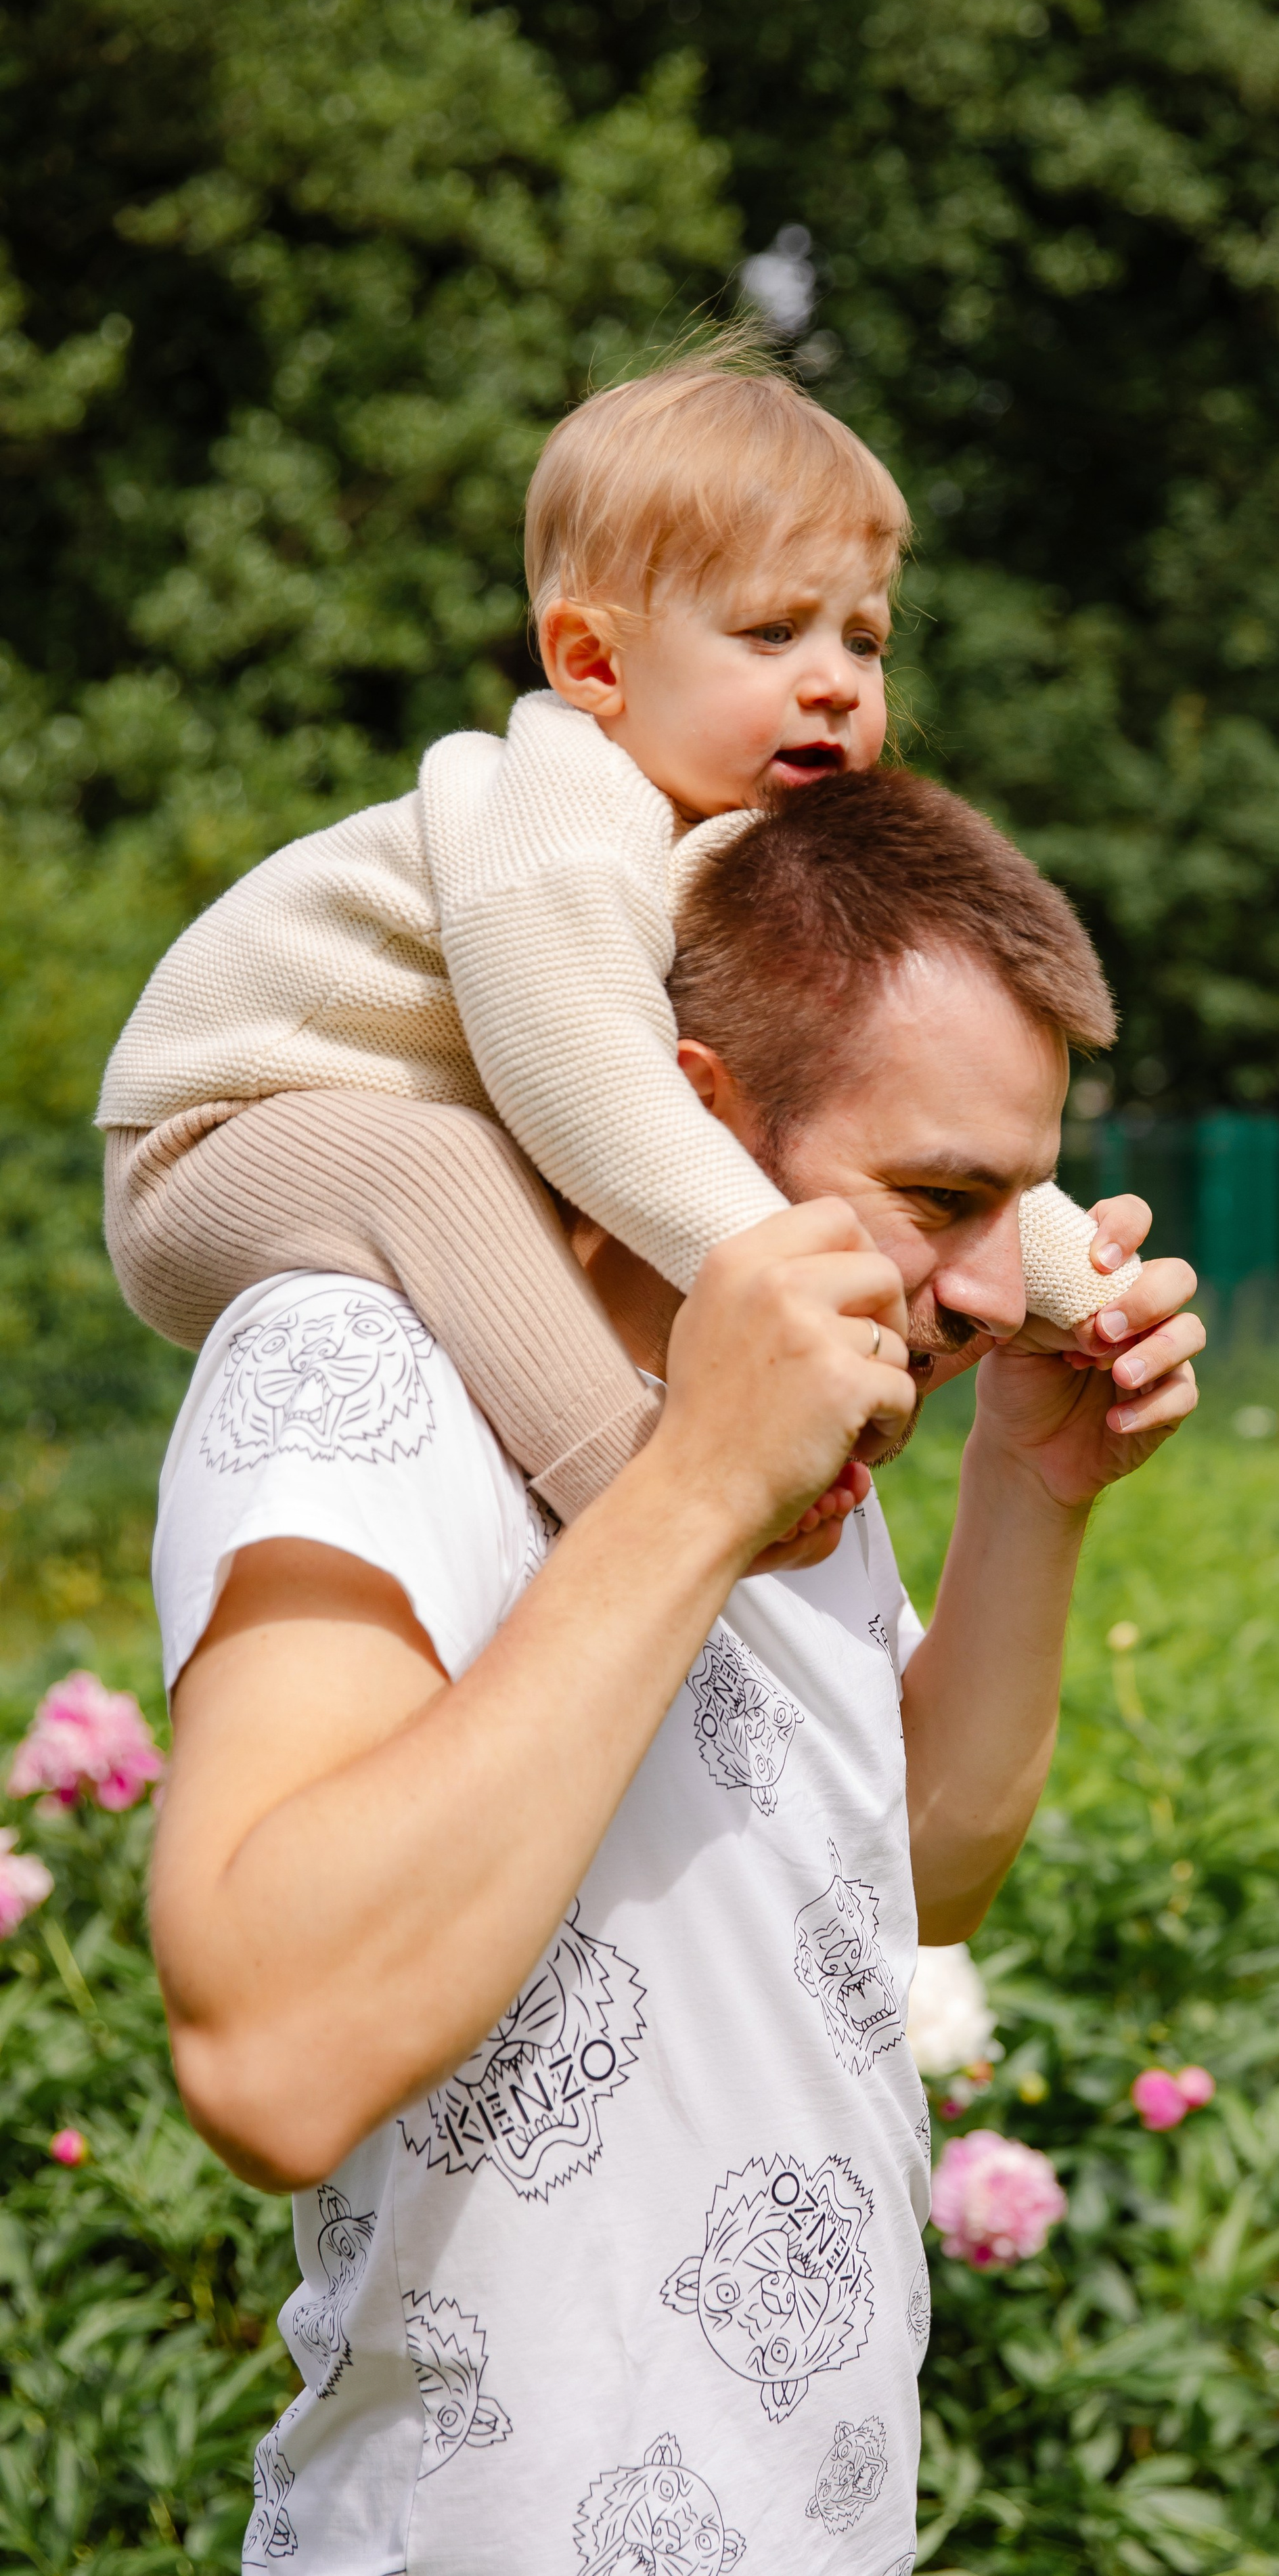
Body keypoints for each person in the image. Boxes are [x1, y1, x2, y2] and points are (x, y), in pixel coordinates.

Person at [147, 765, 1202, 2575]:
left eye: (1015, 1205)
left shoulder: (805, 1417)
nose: (984, 1288)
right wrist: (700, 1486)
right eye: (937, 1195)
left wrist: (1031, 1488)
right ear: (696, 1114)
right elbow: (270, 2058)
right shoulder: (356, 1359)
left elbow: (910, 1877)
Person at [98, 344, 1138, 1549]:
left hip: (401, 1152)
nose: (837, 684)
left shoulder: (722, 851)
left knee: (509, 1187)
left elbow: (901, 1117)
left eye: (863, 639)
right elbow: (586, 1078)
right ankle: (651, 1503)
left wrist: (1086, 1289)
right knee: (444, 1164)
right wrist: (783, 1274)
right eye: (773, 631)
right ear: (594, 663)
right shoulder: (558, 811)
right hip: (217, 1144)